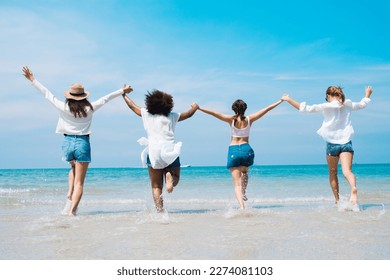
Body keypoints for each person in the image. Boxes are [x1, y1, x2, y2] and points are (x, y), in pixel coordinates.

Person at [22, 66, 133, 216]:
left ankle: (69, 192)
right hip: (82, 143)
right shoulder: (90, 108)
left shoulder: (63, 107)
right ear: (84, 96)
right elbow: (106, 98)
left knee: (73, 169)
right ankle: (72, 211)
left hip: (67, 143)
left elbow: (47, 94)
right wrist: (122, 91)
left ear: (69, 96)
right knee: (79, 182)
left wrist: (33, 80)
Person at [282, 86, 373, 206]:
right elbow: (362, 104)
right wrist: (367, 94)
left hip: (332, 144)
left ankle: (337, 201)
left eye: (327, 98)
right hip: (346, 143)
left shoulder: (326, 106)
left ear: (328, 96)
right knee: (347, 171)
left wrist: (288, 99)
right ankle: (353, 188)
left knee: (333, 172)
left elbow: (305, 108)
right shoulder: (348, 104)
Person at [199, 98, 284, 209]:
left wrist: (199, 108)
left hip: (234, 150)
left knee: (237, 184)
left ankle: (242, 206)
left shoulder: (231, 120)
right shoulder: (249, 119)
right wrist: (280, 101)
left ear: (234, 109)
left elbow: (214, 113)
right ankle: (244, 192)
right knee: (244, 172)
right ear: (245, 108)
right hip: (246, 149)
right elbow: (266, 109)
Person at [122, 89, 199, 212]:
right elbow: (188, 114)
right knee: (176, 180)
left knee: (156, 186)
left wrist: (123, 94)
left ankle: (160, 212)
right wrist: (195, 107)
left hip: (154, 152)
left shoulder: (146, 114)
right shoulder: (172, 116)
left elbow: (132, 106)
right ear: (169, 104)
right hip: (170, 151)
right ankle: (170, 176)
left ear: (150, 102)